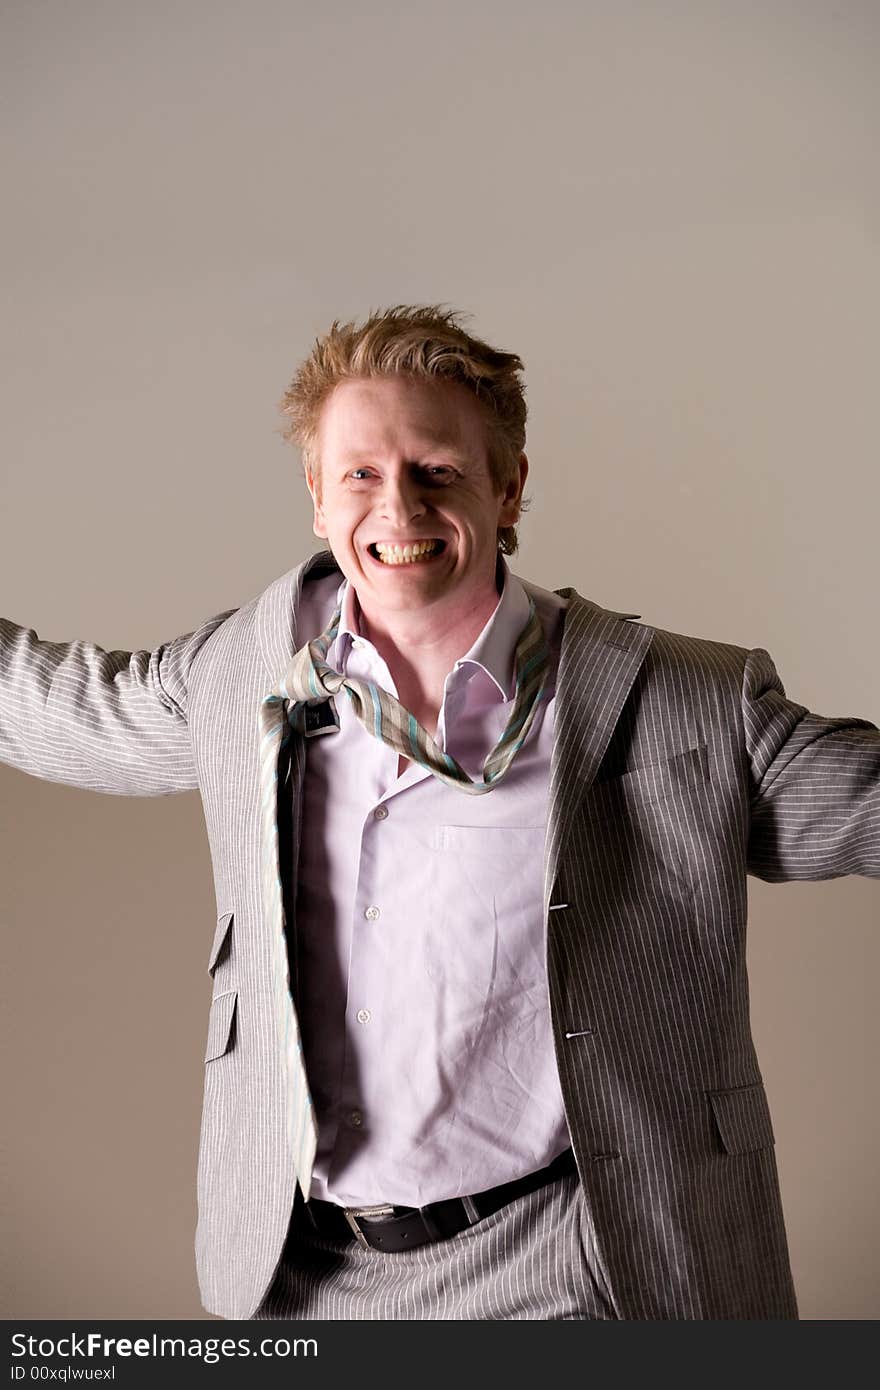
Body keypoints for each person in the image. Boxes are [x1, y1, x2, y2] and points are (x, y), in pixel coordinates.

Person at [1, 305, 877, 1321]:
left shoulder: (673, 702)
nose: (397, 508)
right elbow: (59, 705)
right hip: (309, 1273)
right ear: (318, 498)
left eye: (436, 470)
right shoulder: (244, 675)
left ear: (507, 488)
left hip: (572, 1262)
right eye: (361, 475)